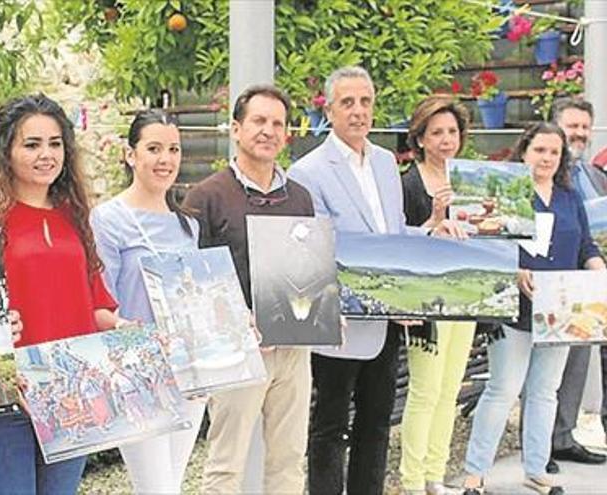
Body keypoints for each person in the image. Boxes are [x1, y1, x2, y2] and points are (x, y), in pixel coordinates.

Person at [288, 66, 463, 495]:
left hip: (386, 323)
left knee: (377, 424)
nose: (358, 111)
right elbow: (314, 249)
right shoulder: (308, 171)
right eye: (347, 102)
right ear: (328, 109)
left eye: (365, 101)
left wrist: (431, 229)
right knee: (330, 427)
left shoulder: (386, 163)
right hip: (340, 321)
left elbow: (394, 236)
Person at [0, 93, 118, 494]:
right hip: (3, 402)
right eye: (32, 144)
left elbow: (97, 305)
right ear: (5, 150)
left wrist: (133, 329)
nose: (46, 154)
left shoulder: (75, 217)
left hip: (69, 399)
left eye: (55, 143)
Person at [183, 84, 315, 494]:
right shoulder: (205, 197)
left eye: (278, 123)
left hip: (294, 352)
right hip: (236, 351)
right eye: (259, 121)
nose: (268, 131)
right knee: (226, 466)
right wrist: (237, 323)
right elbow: (194, 284)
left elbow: (304, 272)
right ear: (236, 129)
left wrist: (323, 310)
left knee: (290, 460)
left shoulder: (300, 197)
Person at [461, 122, 605, 495]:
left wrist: (598, 270)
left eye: (554, 152)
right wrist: (515, 267)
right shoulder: (507, 193)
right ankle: (475, 474)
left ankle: (536, 468)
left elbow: (585, 245)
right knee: (503, 388)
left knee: (545, 391)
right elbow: (485, 241)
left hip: (560, 307)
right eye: (540, 150)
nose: (547, 158)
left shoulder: (568, 197)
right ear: (524, 151)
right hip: (514, 307)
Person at [89, 109, 206, 494]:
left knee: (171, 485)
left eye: (173, 149)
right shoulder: (107, 219)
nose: (165, 159)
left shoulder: (189, 225)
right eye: (153, 148)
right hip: (137, 374)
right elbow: (98, 307)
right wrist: (125, 328)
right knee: (155, 489)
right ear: (130, 154)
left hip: (189, 374)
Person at [396, 96, 477, 494]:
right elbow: (402, 244)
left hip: (466, 297)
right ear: (421, 139)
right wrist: (435, 219)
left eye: (452, 132)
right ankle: (411, 481)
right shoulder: (409, 183)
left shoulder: (471, 180)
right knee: (425, 390)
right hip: (427, 301)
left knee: (450, 390)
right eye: (437, 133)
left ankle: (434, 476)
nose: (446, 140)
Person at [546, 97, 607, 472]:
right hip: (556, 282)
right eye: (573, 127)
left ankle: (564, 436)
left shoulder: (593, 175)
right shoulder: (545, 171)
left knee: (578, 365)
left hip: (590, 281)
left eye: (585, 127)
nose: (580, 134)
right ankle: (542, 443)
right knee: (549, 370)